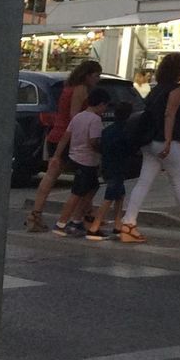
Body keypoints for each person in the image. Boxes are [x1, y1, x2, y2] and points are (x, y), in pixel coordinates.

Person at [119, 53, 180, 243]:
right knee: (178, 180)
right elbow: (170, 114)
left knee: (143, 182)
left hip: (149, 141)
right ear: (179, 69)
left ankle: (128, 222)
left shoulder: (156, 89)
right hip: (166, 141)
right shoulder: (176, 89)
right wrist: (169, 140)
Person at [26, 60, 100, 230]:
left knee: (51, 176)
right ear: (87, 75)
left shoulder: (68, 87)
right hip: (68, 137)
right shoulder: (81, 89)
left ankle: (36, 214)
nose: (98, 79)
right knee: (87, 178)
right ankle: (81, 216)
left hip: (55, 134)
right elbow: (75, 116)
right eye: (96, 75)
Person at [50, 88, 108, 236]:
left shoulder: (78, 117)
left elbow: (66, 136)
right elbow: (93, 141)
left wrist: (56, 155)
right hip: (87, 160)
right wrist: (104, 151)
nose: (105, 110)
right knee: (77, 193)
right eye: (105, 106)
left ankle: (76, 220)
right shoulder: (95, 120)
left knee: (91, 187)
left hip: (75, 157)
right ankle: (62, 223)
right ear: (101, 104)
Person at [92, 98, 135, 240]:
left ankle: (117, 224)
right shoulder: (126, 131)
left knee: (119, 194)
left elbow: (101, 147)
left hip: (108, 165)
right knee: (110, 196)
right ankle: (95, 226)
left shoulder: (108, 130)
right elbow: (130, 148)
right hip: (119, 166)